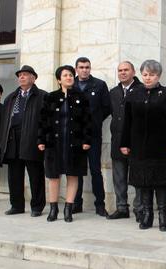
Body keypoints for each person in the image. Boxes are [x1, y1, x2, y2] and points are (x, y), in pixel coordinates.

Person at [120, 59, 166, 232]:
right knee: (143, 182)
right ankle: (147, 215)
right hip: (139, 146)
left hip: (161, 146)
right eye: (145, 75)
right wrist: (125, 143)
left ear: (158, 76)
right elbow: (127, 121)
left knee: (161, 182)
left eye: (152, 75)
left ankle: (163, 215)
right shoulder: (133, 93)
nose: (148, 78)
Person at [38, 65, 92, 223]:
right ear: (58, 79)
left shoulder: (81, 97)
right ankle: (53, 208)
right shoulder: (50, 97)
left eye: (71, 75)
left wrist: (86, 140)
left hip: (74, 143)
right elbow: (43, 121)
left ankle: (69, 208)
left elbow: (87, 121)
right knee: (53, 176)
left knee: (72, 174)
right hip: (54, 143)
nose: (69, 77)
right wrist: (41, 140)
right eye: (65, 75)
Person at [0, 65, 47, 217]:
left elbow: (45, 121)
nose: (22, 77)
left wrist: (42, 139)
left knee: (35, 175)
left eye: (25, 75)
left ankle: (37, 206)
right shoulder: (11, 97)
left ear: (33, 78)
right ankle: (16, 205)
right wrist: (1, 143)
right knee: (14, 175)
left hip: (32, 139)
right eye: (20, 75)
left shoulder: (42, 96)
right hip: (13, 139)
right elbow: (4, 121)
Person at [74, 57, 111, 216]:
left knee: (95, 170)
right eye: (81, 67)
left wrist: (93, 121)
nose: (84, 70)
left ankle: (100, 205)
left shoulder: (100, 85)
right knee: (76, 171)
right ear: (76, 69)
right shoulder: (70, 83)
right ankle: (76, 203)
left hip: (93, 135)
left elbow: (107, 107)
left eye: (87, 67)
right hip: (74, 136)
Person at [107, 61, 143, 221]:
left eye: (126, 70)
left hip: (137, 142)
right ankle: (121, 208)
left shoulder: (142, 90)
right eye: (120, 70)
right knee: (119, 177)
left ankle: (140, 208)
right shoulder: (113, 92)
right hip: (117, 141)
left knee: (138, 177)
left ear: (133, 72)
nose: (123, 73)